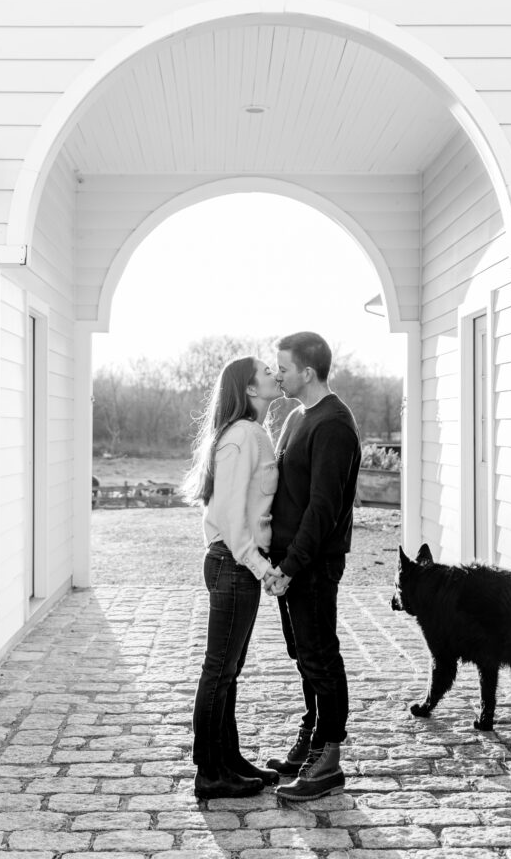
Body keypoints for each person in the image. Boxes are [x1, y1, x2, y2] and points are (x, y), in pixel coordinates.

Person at [263, 331, 361, 801]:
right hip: (289, 563)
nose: (276, 374)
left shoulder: (334, 425)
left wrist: (294, 565)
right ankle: (313, 738)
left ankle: (330, 759)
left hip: (314, 566)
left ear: (307, 371)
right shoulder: (298, 418)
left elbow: (322, 509)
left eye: (282, 368)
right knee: (304, 658)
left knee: (321, 656)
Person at [185, 356, 283, 800]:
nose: (275, 374)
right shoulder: (243, 436)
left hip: (232, 564)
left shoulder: (251, 433)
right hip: (234, 564)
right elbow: (228, 515)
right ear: (248, 388)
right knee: (218, 671)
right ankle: (209, 772)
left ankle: (229, 759)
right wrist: (262, 568)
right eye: (266, 371)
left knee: (230, 670)